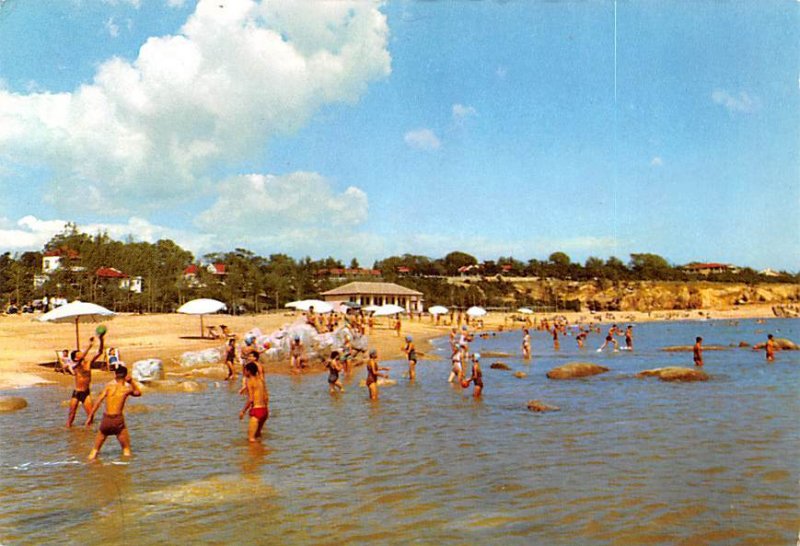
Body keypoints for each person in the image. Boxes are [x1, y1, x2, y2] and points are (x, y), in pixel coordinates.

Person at [86, 365, 141, 460]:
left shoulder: (108, 387)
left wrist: (90, 416)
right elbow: (138, 393)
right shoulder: (126, 389)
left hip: (106, 419)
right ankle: (125, 470)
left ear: (115, 375)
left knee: (94, 450)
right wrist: (131, 381)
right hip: (117, 419)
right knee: (126, 449)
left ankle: (89, 467)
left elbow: (98, 401)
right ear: (126, 375)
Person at [67, 334, 105, 428]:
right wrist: (90, 345)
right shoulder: (76, 365)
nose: (81, 354)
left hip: (86, 393)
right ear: (75, 358)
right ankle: (68, 428)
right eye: (79, 353)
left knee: (90, 416)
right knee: (71, 414)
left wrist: (101, 340)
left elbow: (99, 352)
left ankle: (88, 433)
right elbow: (82, 358)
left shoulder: (88, 363)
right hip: (77, 393)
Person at [240, 362, 269, 443]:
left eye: (244, 370)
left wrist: (243, 411)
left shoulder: (249, 381)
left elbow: (251, 399)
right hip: (264, 410)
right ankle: (261, 453)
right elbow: (266, 397)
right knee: (258, 435)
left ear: (248, 371)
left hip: (256, 410)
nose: (244, 372)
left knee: (251, 439)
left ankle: (254, 454)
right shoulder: (261, 380)